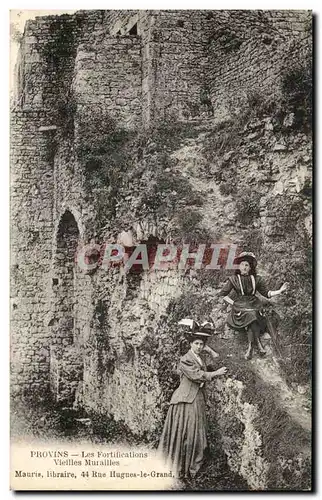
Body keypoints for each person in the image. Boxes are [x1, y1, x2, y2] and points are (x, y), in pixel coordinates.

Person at [157, 330, 227, 480]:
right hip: (185, 399)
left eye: (202, 344)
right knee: (185, 433)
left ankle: (192, 467)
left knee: (197, 433)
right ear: (190, 344)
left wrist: (211, 351)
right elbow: (197, 375)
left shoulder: (200, 358)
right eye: (196, 343)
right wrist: (216, 374)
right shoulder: (185, 359)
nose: (199, 346)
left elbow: (214, 364)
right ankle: (181, 468)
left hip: (197, 398)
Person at [218, 251, 288, 360]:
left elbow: (267, 293)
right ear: (239, 266)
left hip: (254, 304)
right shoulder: (234, 279)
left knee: (253, 314)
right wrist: (233, 303)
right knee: (252, 315)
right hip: (240, 305)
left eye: (247, 265)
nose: (244, 267)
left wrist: (279, 291)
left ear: (250, 267)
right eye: (242, 264)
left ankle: (251, 347)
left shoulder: (257, 279)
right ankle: (258, 345)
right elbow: (223, 294)